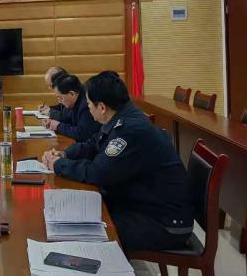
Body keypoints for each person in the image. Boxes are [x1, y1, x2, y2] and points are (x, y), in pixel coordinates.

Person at [42, 72, 194, 252]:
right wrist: (64, 155)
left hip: (163, 221)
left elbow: (98, 173)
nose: (87, 107)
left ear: (102, 107)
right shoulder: (120, 116)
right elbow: (94, 143)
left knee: (84, 231)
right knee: (79, 215)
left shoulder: (129, 130)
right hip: (142, 204)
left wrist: (58, 165)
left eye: (89, 104)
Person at [41, 73, 101, 142]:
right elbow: (66, 119)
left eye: (60, 98)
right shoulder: (73, 101)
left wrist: (58, 126)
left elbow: (82, 134)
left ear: (72, 94)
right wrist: (51, 122)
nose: (59, 101)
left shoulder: (86, 105)